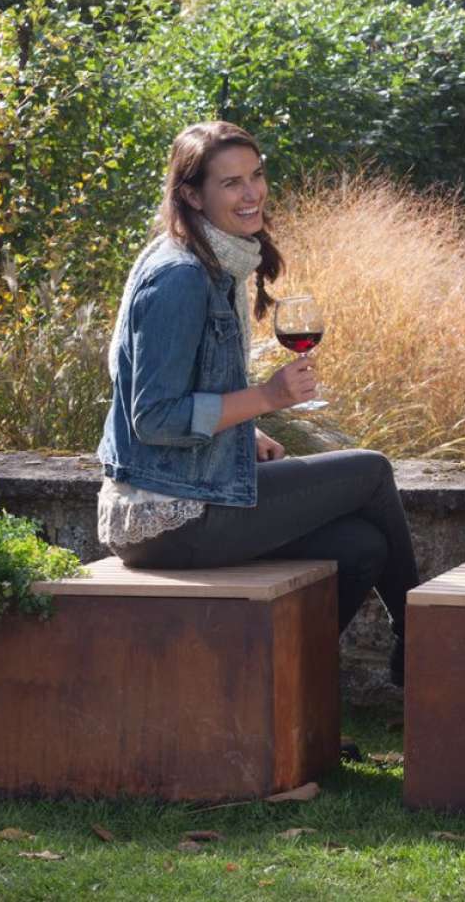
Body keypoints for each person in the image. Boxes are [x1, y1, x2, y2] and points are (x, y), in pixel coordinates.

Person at [96, 121, 417, 685]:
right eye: (231, 183)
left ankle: (294, 703)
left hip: (197, 491)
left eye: (257, 176)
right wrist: (268, 397)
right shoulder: (180, 277)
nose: (252, 194)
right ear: (193, 195)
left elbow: (170, 388)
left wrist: (244, 429)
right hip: (170, 518)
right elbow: (152, 416)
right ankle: (420, 644)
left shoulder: (209, 260)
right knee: (371, 472)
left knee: (362, 547)